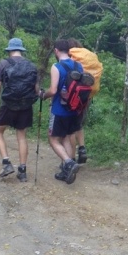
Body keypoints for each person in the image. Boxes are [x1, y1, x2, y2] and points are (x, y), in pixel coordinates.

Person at [0, 38, 39, 182]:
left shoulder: (3, 64)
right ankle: (22, 171)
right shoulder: (31, 66)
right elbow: (36, 89)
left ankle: (6, 163)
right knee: (22, 136)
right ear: (21, 50)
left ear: (9, 50)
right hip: (25, 105)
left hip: (8, 104)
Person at [39, 39, 83, 184]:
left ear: (56, 51)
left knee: (53, 139)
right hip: (75, 110)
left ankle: (69, 163)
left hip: (59, 110)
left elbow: (53, 90)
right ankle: (66, 171)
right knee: (66, 138)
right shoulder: (78, 65)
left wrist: (43, 95)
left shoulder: (56, 67)